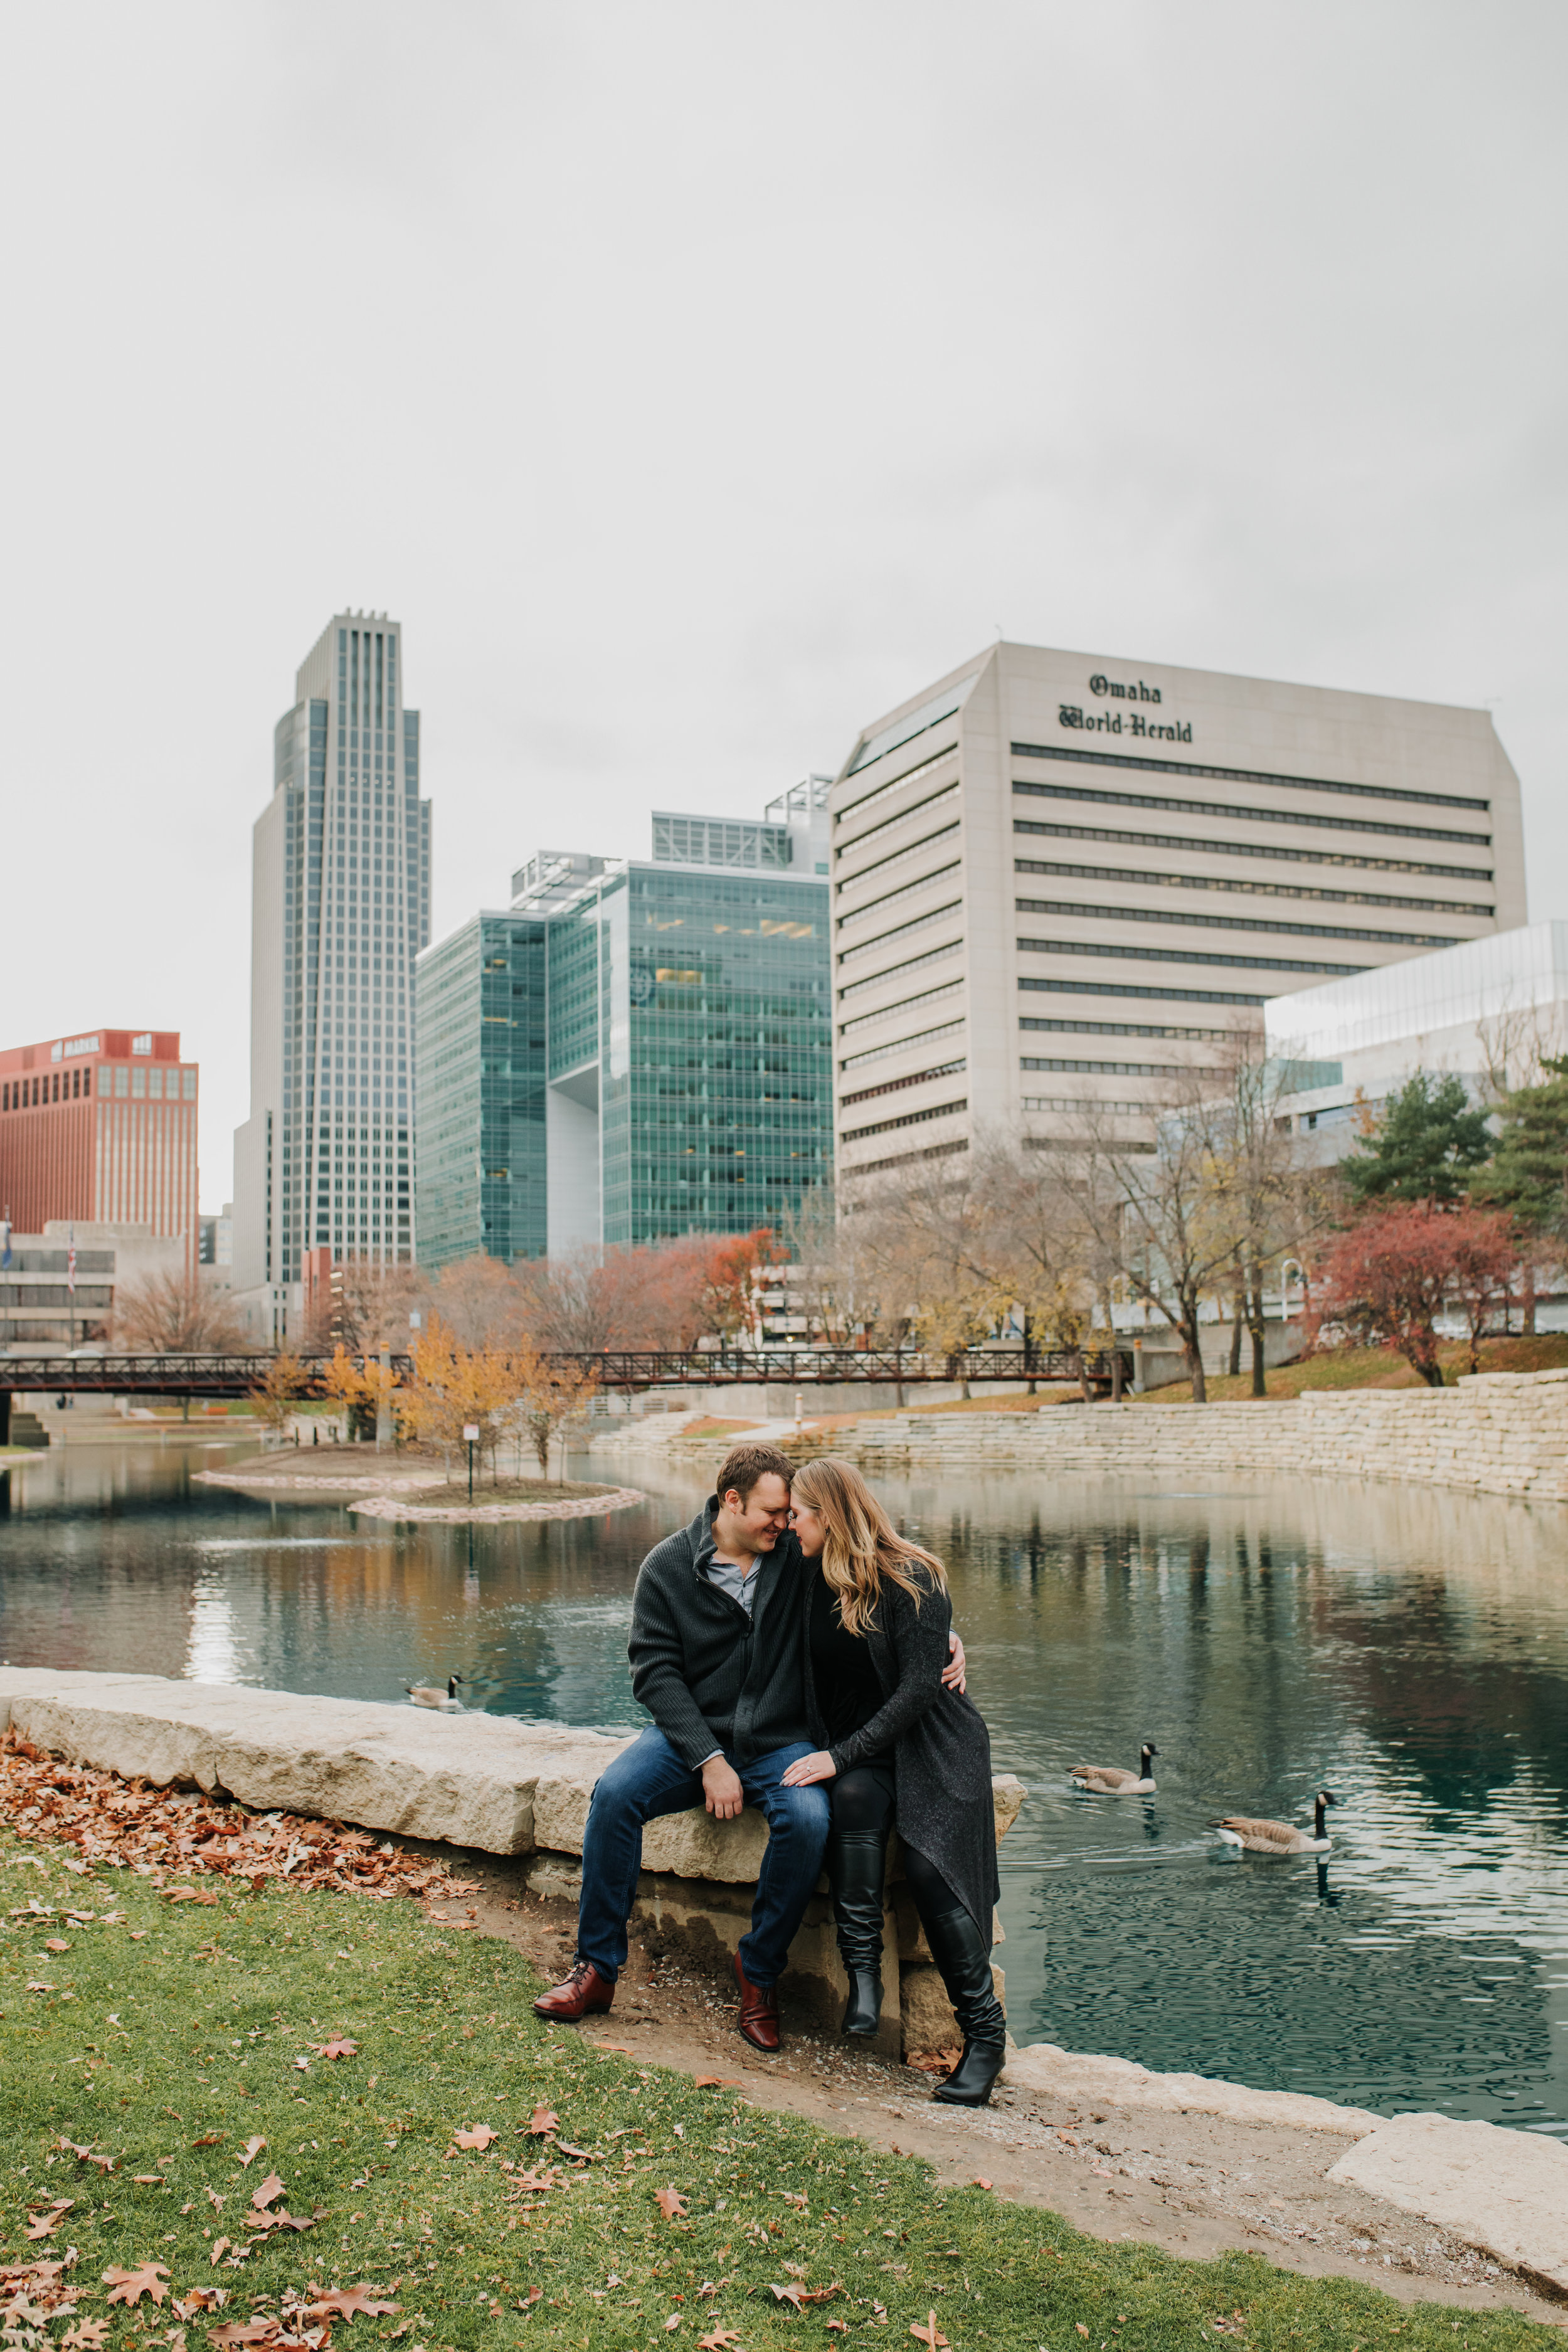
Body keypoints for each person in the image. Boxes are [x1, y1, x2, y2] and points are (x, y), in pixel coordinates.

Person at [533, 1442, 967, 2054]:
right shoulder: (666, 1566)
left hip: (780, 1743)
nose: (784, 1523)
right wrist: (708, 1760)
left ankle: (757, 1975)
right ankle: (597, 1970)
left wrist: (941, 1635)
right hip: (689, 1740)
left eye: (791, 1513)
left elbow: (882, 1583)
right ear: (730, 1502)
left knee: (809, 1820)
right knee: (615, 1795)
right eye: (772, 1511)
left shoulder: (796, 1557)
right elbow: (653, 1673)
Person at [781, 1455, 1007, 2107]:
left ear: (828, 1515)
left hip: (934, 1743)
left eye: (798, 1515)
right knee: (852, 1802)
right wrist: (841, 1758)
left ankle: (983, 2039)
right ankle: (864, 1982)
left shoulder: (916, 1579)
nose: (789, 1526)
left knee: (929, 1861)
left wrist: (836, 1755)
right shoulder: (803, 1573)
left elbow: (915, 1693)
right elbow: (724, 1531)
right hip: (866, 1754)